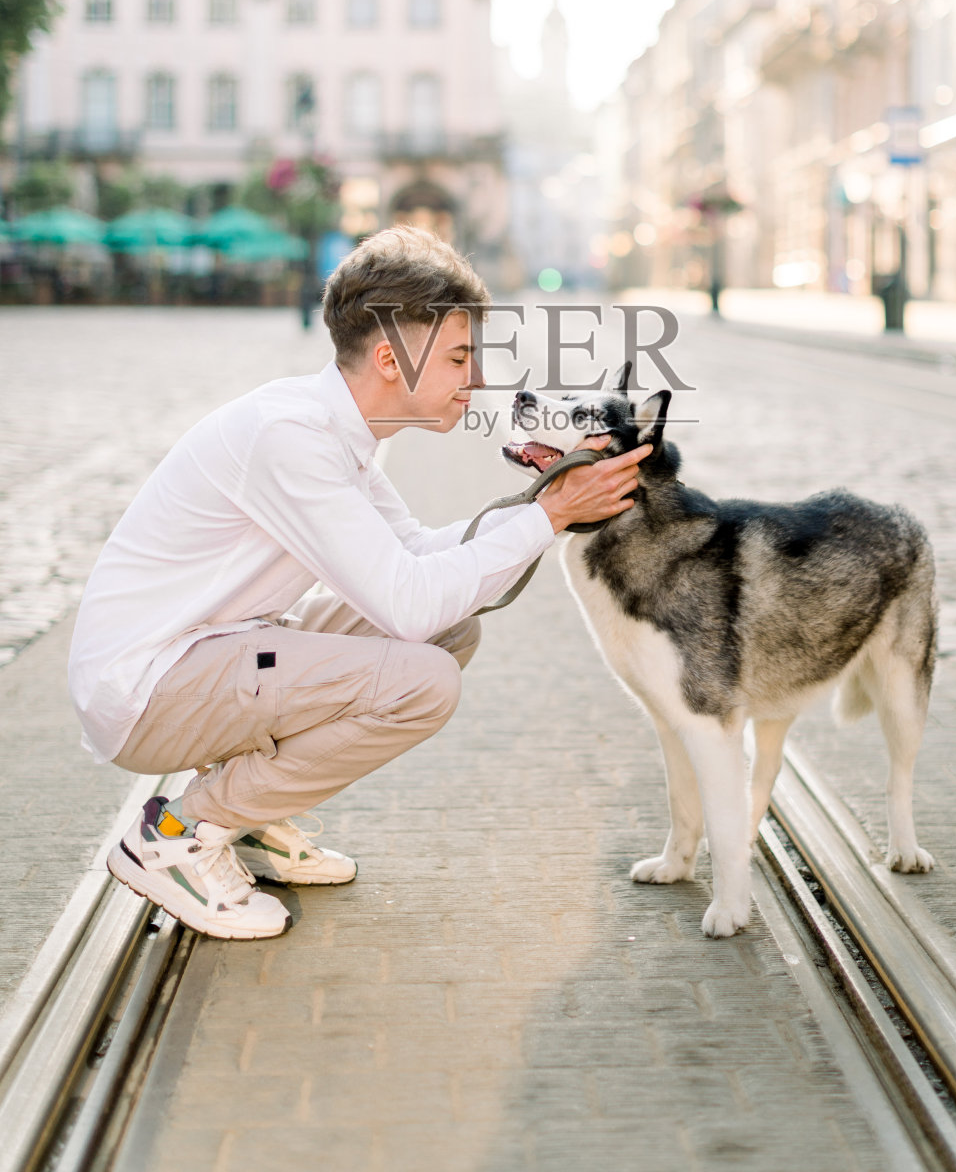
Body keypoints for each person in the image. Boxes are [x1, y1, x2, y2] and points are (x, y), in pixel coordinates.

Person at [69, 227, 650, 940]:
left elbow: (412, 556)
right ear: (387, 358)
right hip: (148, 688)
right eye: (460, 358)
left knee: (451, 626)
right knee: (422, 679)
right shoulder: (292, 437)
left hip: (210, 653)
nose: (477, 381)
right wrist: (553, 517)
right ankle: (179, 832)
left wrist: (540, 504)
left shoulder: (340, 432)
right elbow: (406, 605)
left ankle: (247, 818)